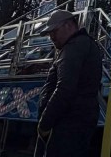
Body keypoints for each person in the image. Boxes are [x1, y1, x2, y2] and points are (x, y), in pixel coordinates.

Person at [37, 9, 103, 157]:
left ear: (68, 25)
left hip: (66, 124)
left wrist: (45, 123)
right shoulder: (85, 45)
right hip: (77, 121)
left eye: (54, 31)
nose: (52, 37)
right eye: (49, 34)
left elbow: (64, 88)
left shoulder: (73, 47)